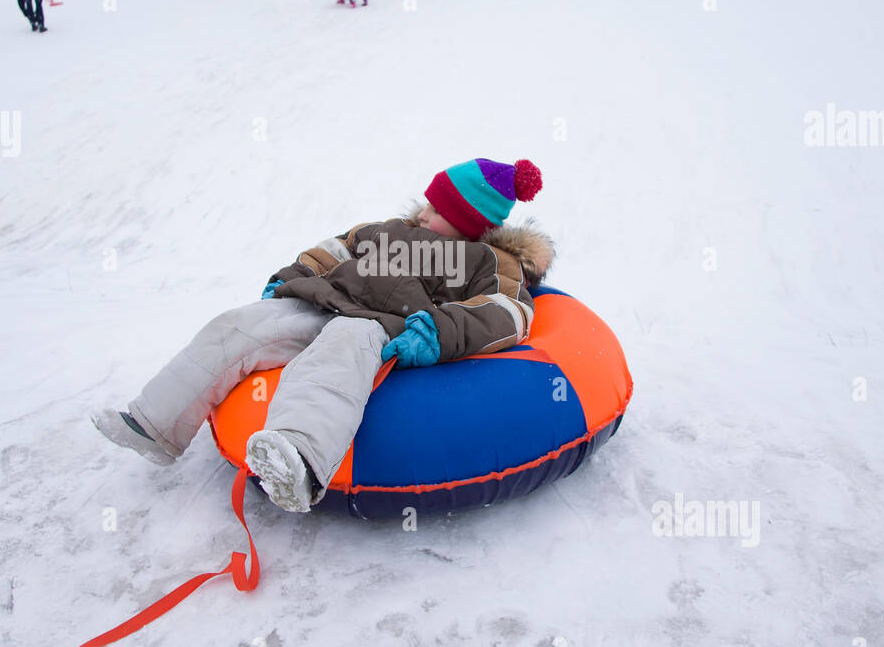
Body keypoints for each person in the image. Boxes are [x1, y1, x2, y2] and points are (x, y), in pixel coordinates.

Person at [93, 158, 552, 513]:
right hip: (324, 301)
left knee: (337, 355)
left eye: (438, 209)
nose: (424, 212)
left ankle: (299, 459)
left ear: (470, 221)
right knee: (241, 325)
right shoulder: (384, 231)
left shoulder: (488, 261)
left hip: (379, 325)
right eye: (428, 202)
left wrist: (437, 332)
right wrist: (290, 278)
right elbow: (330, 252)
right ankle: (154, 424)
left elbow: (507, 312)